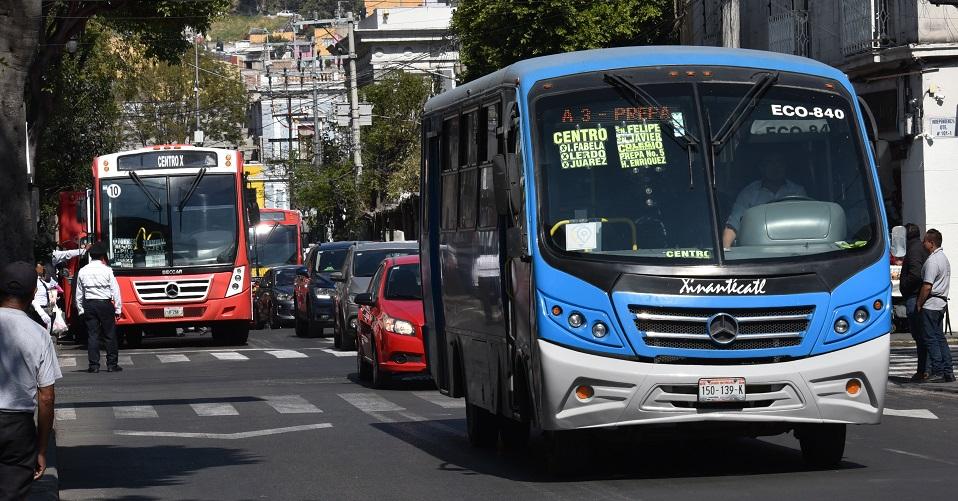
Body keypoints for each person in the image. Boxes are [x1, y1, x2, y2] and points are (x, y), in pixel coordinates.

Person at [0, 261, 62, 499]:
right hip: (17, 426)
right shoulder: (39, 334)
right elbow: (46, 397)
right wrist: (42, 448)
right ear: (34, 293)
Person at [722, 154, 807, 249]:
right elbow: (733, 225)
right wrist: (725, 250)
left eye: (779, 162)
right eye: (769, 162)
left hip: (794, 250)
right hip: (758, 253)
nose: (775, 167)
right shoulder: (748, 193)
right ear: (761, 167)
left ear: (785, 166)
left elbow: (806, 225)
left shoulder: (797, 191)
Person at [75, 242, 123, 373]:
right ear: (102, 256)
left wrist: (80, 309)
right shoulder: (107, 270)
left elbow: (79, 293)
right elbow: (115, 290)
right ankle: (112, 364)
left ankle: (94, 365)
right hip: (105, 304)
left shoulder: (83, 271)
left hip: (90, 304)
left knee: (93, 335)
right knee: (109, 334)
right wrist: (118, 308)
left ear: (90, 256)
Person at [916, 229, 954, 383]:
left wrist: (919, 303)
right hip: (941, 304)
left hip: (931, 304)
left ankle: (937, 371)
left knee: (931, 338)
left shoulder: (932, 261)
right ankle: (948, 371)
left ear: (931, 243)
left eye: (925, 241)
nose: (923, 243)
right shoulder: (943, 259)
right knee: (940, 338)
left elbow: (927, 286)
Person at [899, 223, 931, 381]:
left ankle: (923, 370)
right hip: (918, 296)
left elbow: (916, 275)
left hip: (914, 296)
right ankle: (926, 369)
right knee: (925, 335)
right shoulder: (920, 248)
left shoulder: (913, 250)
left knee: (920, 336)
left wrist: (904, 284)